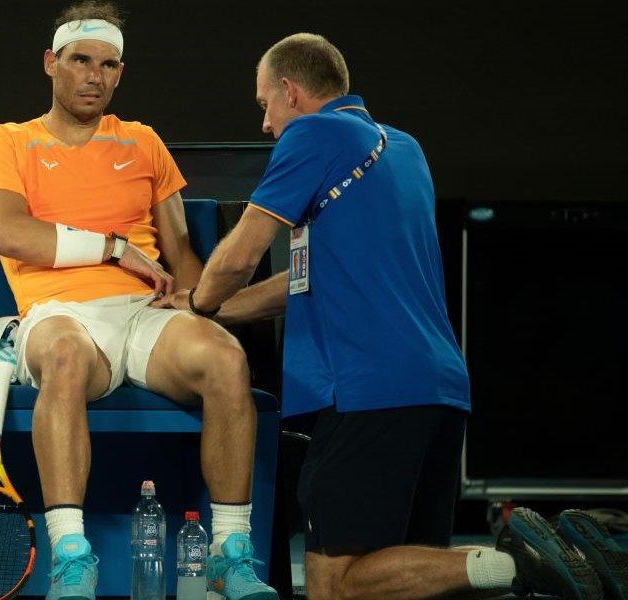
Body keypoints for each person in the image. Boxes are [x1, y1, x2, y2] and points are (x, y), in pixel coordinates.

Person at [155, 33, 610, 600]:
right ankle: (546, 561)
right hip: (437, 391)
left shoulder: (313, 135)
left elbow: (241, 256)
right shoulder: (404, 148)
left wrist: (196, 302)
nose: (267, 124)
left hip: (366, 392)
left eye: (265, 104)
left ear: (291, 92)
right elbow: (303, 282)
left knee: (332, 583)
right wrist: (213, 315)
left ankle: (522, 565)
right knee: (408, 579)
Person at [0, 2, 278, 599]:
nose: (94, 76)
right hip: (58, 315)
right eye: (80, 60)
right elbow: (9, 233)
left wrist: (197, 302)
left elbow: (181, 250)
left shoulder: (142, 142)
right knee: (63, 356)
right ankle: (70, 555)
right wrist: (112, 247)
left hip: (144, 315)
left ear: (119, 73)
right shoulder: (10, 141)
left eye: (108, 65)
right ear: (51, 64)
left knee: (225, 358)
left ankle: (229, 553)